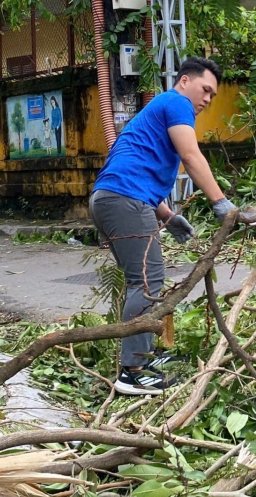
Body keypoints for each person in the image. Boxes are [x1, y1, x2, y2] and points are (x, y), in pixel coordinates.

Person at [89, 56, 237, 396]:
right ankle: (132, 373)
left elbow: (134, 171)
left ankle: (142, 357)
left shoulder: (159, 109)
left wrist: (168, 217)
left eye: (213, 95)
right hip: (123, 200)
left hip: (114, 198)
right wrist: (220, 202)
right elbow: (191, 156)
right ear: (185, 81)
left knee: (143, 281)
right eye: (206, 90)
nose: (207, 100)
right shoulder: (176, 102)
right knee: (148, 283)